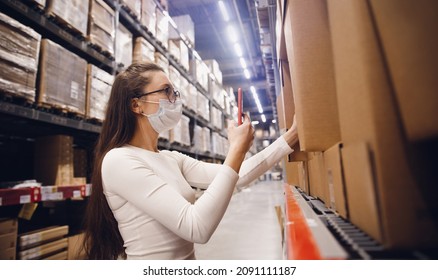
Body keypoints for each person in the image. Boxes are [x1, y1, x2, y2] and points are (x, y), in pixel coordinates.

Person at [83, 62, 298, 260]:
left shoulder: (169, 158)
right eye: (166, 91)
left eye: (174, 92)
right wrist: (236, 150)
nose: (174, 99)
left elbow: (238, 176)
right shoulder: (119, 160)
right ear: (136, 105)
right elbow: (196, 227)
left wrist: (290, 137)